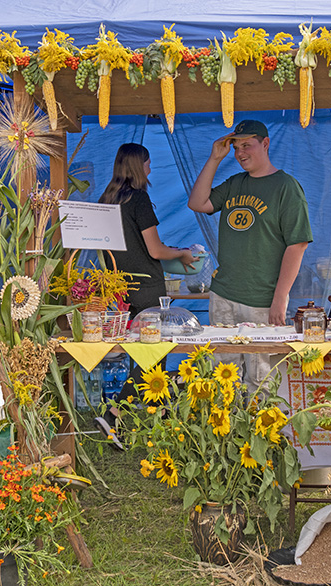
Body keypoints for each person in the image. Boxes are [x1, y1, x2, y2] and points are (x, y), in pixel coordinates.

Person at [188, 120, 313, 391]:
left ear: (265, 144)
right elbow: (197, 203)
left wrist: (280, 298)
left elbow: (297, 245)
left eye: (247, 145)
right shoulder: (235, 183)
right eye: (235, 147)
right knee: (223, 377)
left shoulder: (286, 187)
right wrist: (214, 158)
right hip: (223, 295)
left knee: (260, 380)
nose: (240, 152)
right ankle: (224, 434)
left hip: (262, 299)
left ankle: (261, 434)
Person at [94, 143, 196, 448]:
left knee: (146, 357)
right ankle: (113, 414)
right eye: (149, 164)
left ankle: (156, 423)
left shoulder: (107, 199)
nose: (151, 169)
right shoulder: (139, 199)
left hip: (120, 286)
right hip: (148, 286)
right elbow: (155, 250)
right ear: (140, 166)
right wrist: (184, 254)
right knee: (154, 358)